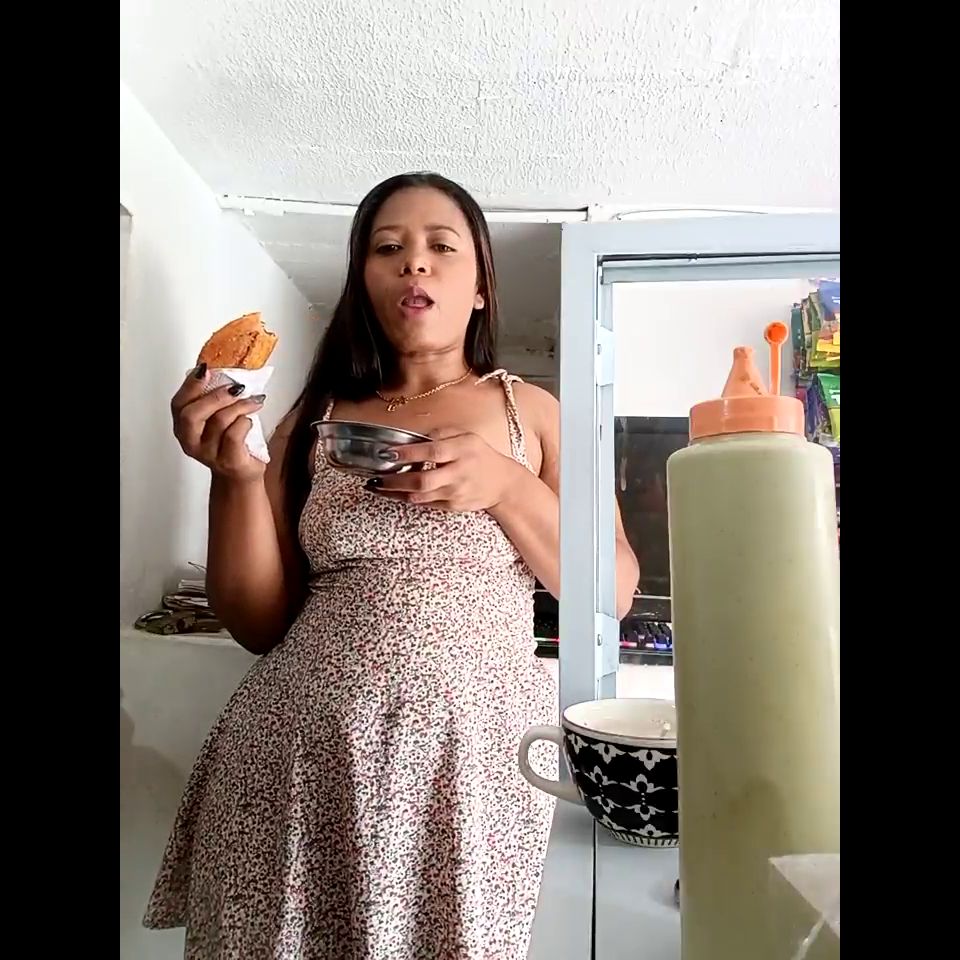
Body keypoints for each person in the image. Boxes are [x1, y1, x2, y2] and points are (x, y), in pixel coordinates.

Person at [145, 172, 640, 960]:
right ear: (363, 283)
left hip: (463, 767)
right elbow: (260, 624)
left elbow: (612, 591)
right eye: (387, 248)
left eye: (442, 247)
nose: (415, 262)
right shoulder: (315, 419)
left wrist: (507, 486)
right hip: (299, 750)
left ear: (481, 288)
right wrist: (234, 478)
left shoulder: (535, 413)